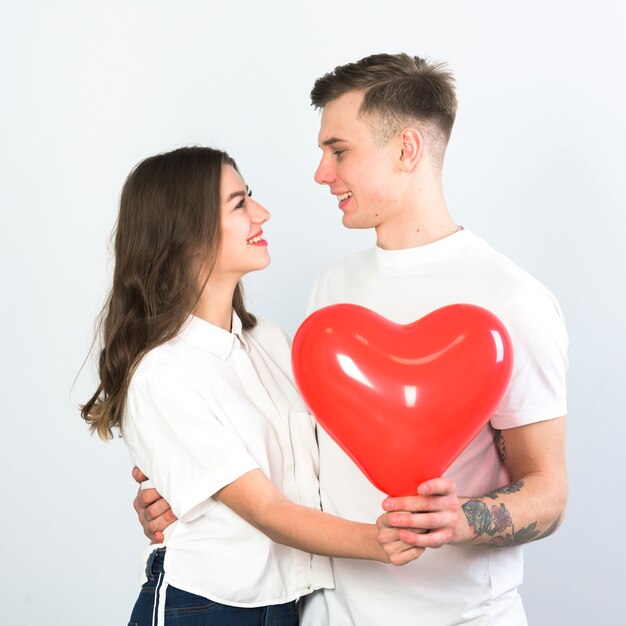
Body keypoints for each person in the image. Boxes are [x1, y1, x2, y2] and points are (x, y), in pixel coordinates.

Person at [134, 54, 568, 625]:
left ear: (406, 149)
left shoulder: (512, 300)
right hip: (322, 613)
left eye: (338, 151)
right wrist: (187, 487)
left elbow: (548, 491)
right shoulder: (331, 290)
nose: (321, 173)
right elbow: (298, 449)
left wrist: (459, 519)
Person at [82, 146, 447, 626]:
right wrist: (378, 541)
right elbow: (268, 510)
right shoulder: (163, 375)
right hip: (207, 610)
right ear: (185, 234)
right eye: (239, 203)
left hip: (289, 608)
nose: (262, 213)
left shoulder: (271, 342)